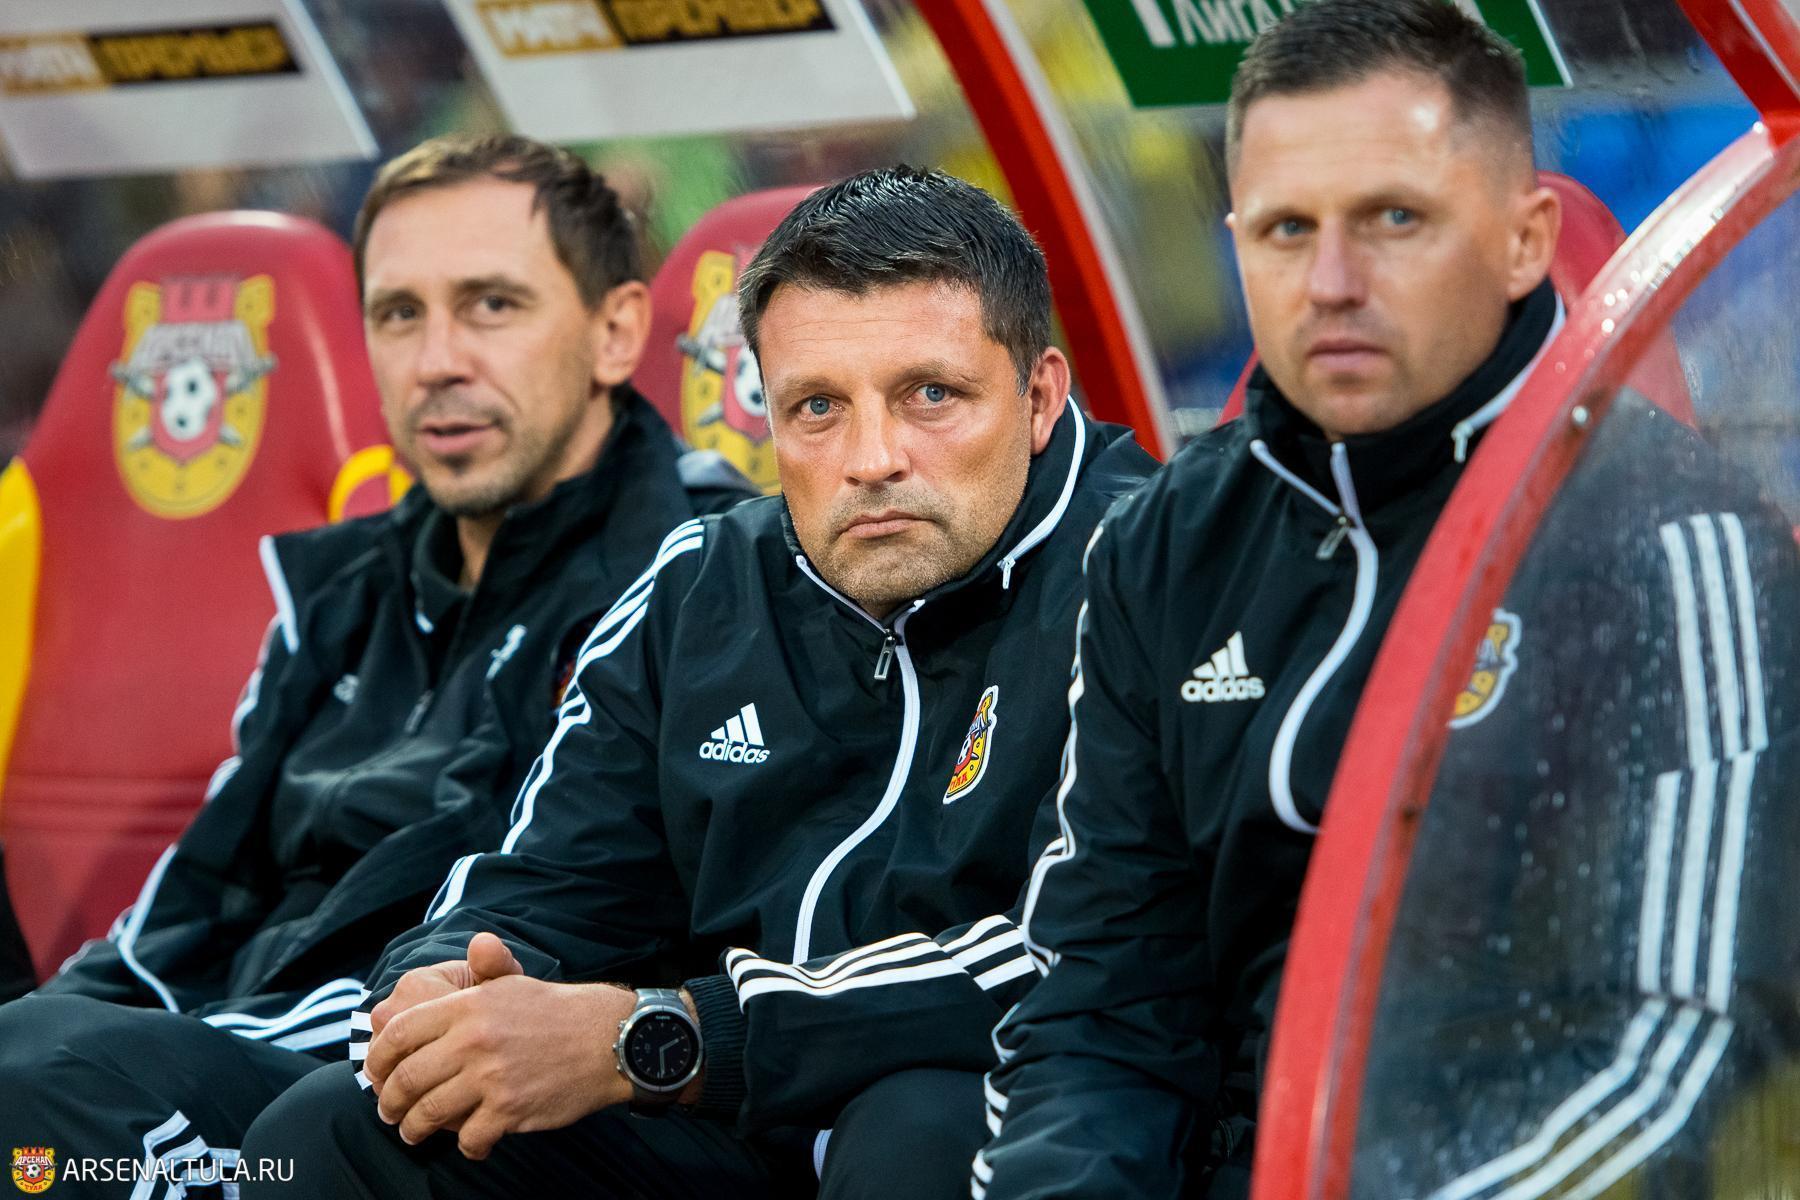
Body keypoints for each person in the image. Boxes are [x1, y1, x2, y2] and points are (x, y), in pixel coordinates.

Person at [971, 2, 1800, 1198]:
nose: (1332, 283)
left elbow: (1687, 1052)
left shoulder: (1672, 538)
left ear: (1525, 241)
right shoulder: (1165, 541)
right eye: (1286, 230)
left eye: (1394, 220)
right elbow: (1101, 1003)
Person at [239, 166, 1157, 1199]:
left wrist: (667, 1035)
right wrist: (450, 982)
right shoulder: (704, 584)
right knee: (340, 1127)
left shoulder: (1152, 572)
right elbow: (547, 881)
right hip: (728, 1120)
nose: (872, 458)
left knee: (926, 1121)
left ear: (1039, 397)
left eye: (930, 396)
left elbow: (1084, 952)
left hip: (990, 1119)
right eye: (817, 407)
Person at [0, 133, 751, 1193]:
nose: (438, 360)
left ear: (615, 331)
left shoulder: (704, 571)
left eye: (492, 305)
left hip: (421, 1102)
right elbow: (188, 908)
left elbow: (558, 939)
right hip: (238, 1053)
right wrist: (69, 1026)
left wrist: (88, 1051)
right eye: (399, 314)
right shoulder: (341, 585)